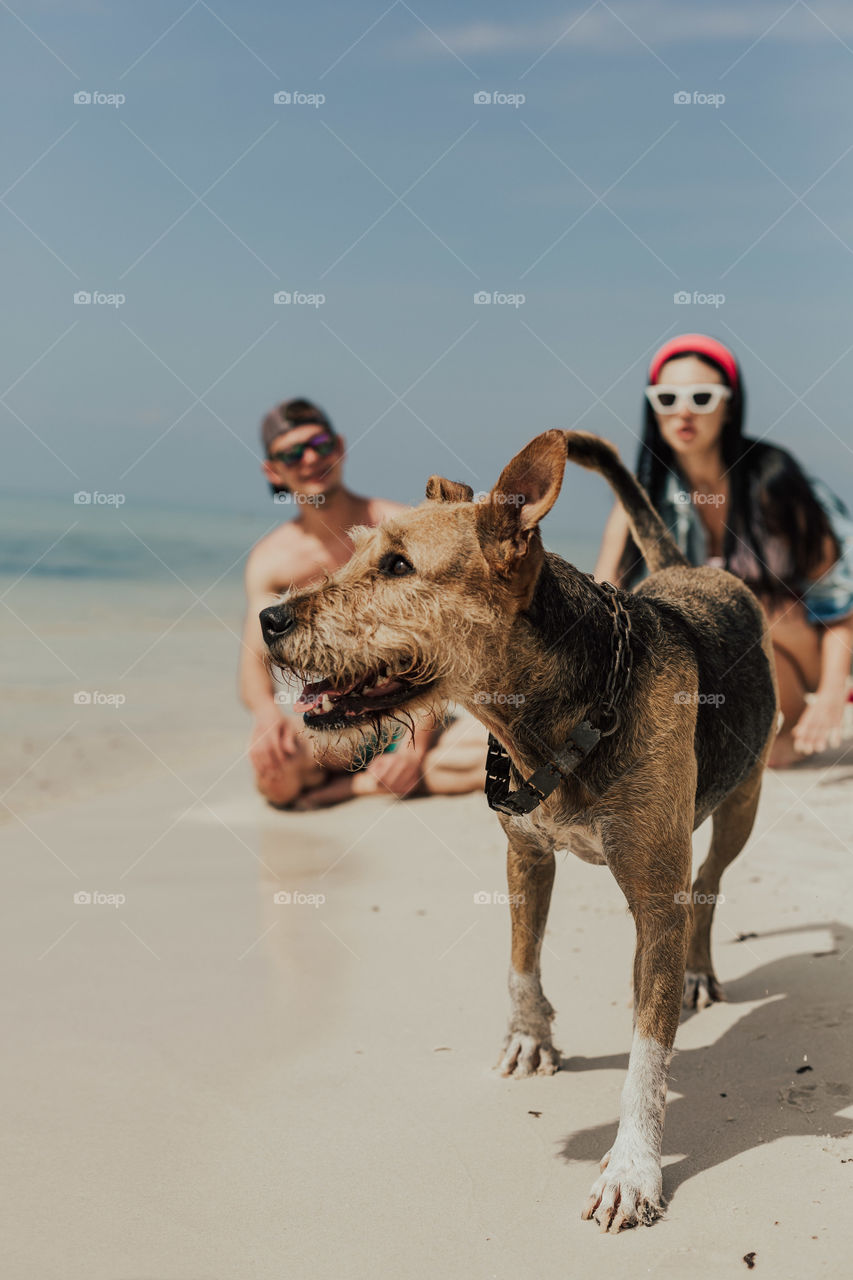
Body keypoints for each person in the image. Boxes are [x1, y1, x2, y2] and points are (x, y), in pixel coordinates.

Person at [594, 334, 853, 769]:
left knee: (750, 609)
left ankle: (779, 732)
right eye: (667, 397)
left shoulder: (772, 480)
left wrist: (830, 699)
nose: (683, 410)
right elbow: (603, 606)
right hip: (716, 668)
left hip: (802, 646)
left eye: (701, 396)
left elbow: (839, 606)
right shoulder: (641, 498)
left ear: (729, 405)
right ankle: (436, 762)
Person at [239, 397, 487, 808]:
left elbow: (435, 642)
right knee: (275, 779)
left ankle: (357, 786)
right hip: (331, 713)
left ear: (339, 446)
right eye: (292, 452)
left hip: (412, 709)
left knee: (500, 756)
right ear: (273, 470)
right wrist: (265, 715)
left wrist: (414, 747)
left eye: (319, 444)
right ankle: (382, 778)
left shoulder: (395, 531)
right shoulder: (271, 560)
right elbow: (254, 660)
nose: (311, 458)